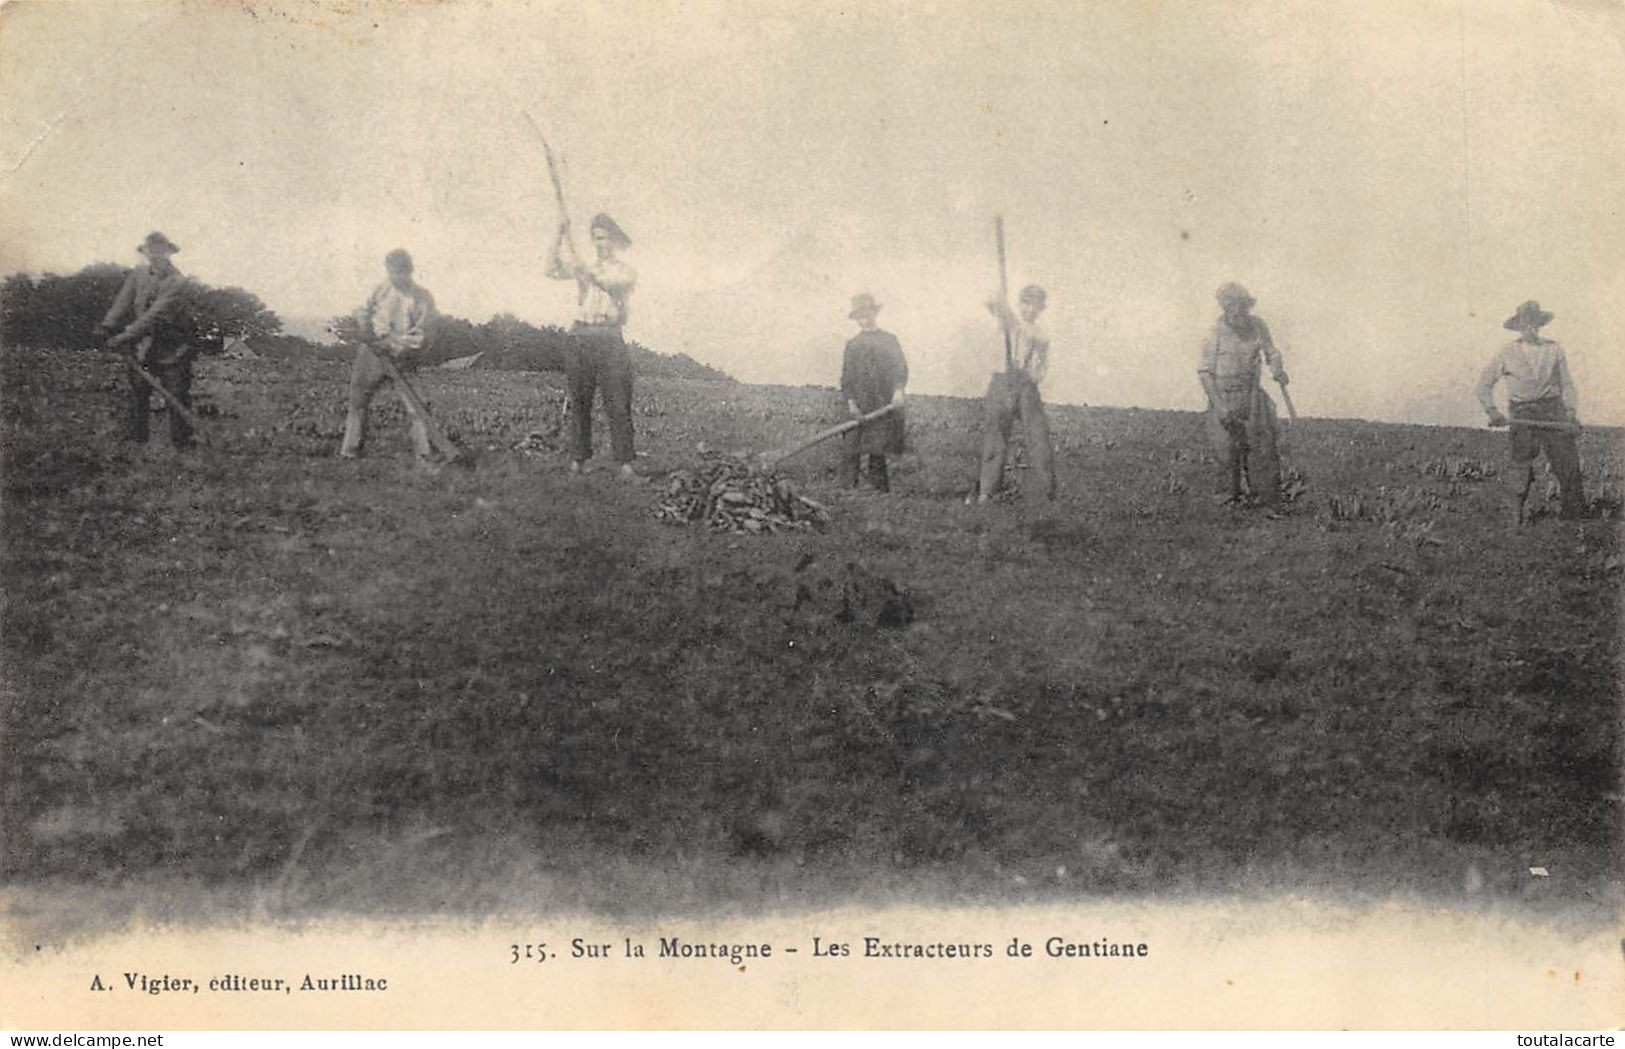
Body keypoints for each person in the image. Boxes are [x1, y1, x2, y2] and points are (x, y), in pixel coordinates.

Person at [1475, 300, 1585, 523]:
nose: (1530, 327)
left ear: (1539, 324)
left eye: (1534, 322)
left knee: (1567, 461)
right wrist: (1492, 411)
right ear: (1519, 326)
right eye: (1525, 323)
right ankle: (1516, 513)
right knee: (1521, 462)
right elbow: (1483, 385)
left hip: (1553, 410)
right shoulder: (1507, 352)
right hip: (1522, 412)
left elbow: (1567, 384)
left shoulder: (1554, 349)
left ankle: (1574, 516)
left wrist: (1571, 411)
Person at [547, 213, 637, 478]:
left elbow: (614, 286)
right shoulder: (585, 268)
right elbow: (549, 269)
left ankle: (624, 462)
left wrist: (588, 274)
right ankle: (579, 459)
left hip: (609, 339)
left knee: (618, 403)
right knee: (580, 401)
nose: (599, 244)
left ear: (615, 240)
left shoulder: (625, 271)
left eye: (604, 238)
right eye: (595, 238)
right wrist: (559, 233)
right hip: (580, 338)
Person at [96, 231, 197, 447]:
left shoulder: (177, 282)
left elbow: (155, 315)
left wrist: (123, 337)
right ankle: (137, 441)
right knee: (138, 392)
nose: (155, 256)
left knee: (176, 394)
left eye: (160, 251)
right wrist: (107, 325)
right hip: (143, 345)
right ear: (146, 252)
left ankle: (183, 445)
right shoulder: (138, 274)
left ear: (168, 253)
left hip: (174, 346)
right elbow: (122, 301)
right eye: (151, 251)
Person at [338, 249, 439, 461]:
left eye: (401, 272)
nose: (396, 277)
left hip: (403, 357)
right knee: (358, 400)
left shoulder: (422, 298)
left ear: (409, 271)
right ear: (388, 270)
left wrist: (396, 348)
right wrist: (365, 327)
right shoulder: (380, 288)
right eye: (393, 272)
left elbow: (421, 335)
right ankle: (350, 451)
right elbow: (363, 310)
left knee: (418, 405)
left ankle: (425, 453)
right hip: (372, 353)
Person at [1197, 282, 1288, 509]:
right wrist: (1219, 406)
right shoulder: (1213, 331)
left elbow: (1271, 352)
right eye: (1234, 307)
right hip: (1223, 395)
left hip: (1252, 395)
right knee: (1225, 450)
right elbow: (1205, 373)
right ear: (1225, 308)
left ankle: (1267, 500)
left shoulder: (1258, 326)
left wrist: (1277, 368)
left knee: (1262, 447)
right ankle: (1228, 502)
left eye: (1243, 307)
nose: (1240, 312)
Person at [978, 284, 1056, 503]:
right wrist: (1000, 298)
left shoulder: (1041, 335)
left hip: (1025, 386)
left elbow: (1040, 368)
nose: (1029, 310)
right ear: (1020, 304)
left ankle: (1046, 492)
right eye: (1025, 303)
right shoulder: (1008, 321)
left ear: (1041, 309)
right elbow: (991, 302)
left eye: (1035, 306)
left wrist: (1024, 374)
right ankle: (987, 491)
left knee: (1038, 435)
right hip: (1001, 383)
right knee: (996, 436)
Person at [839, 293, 908, 491]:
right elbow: (846, 378)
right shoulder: (852, 345)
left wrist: (898, 390)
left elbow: (900, 368)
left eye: (867, 314)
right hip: (858, 401)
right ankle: (848, 490)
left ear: (874, 313)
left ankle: (878, 490)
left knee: (878, 447)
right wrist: (851, 402)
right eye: (859, 316)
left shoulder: (889, 340)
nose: (864, 319)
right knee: (851, 446)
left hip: (881, 400)